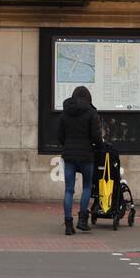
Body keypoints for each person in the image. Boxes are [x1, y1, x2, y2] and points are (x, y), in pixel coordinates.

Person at [57, 85, 102, 235]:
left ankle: (68, 224)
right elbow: (96, 136)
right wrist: (99, 145)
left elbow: (60, 136)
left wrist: (68, 145)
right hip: (86, 155)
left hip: (69, 155)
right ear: (88, 97)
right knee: (87, 186)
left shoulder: (65, 113)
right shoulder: (91, 112)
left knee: (69, 189)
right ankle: (82, 220)